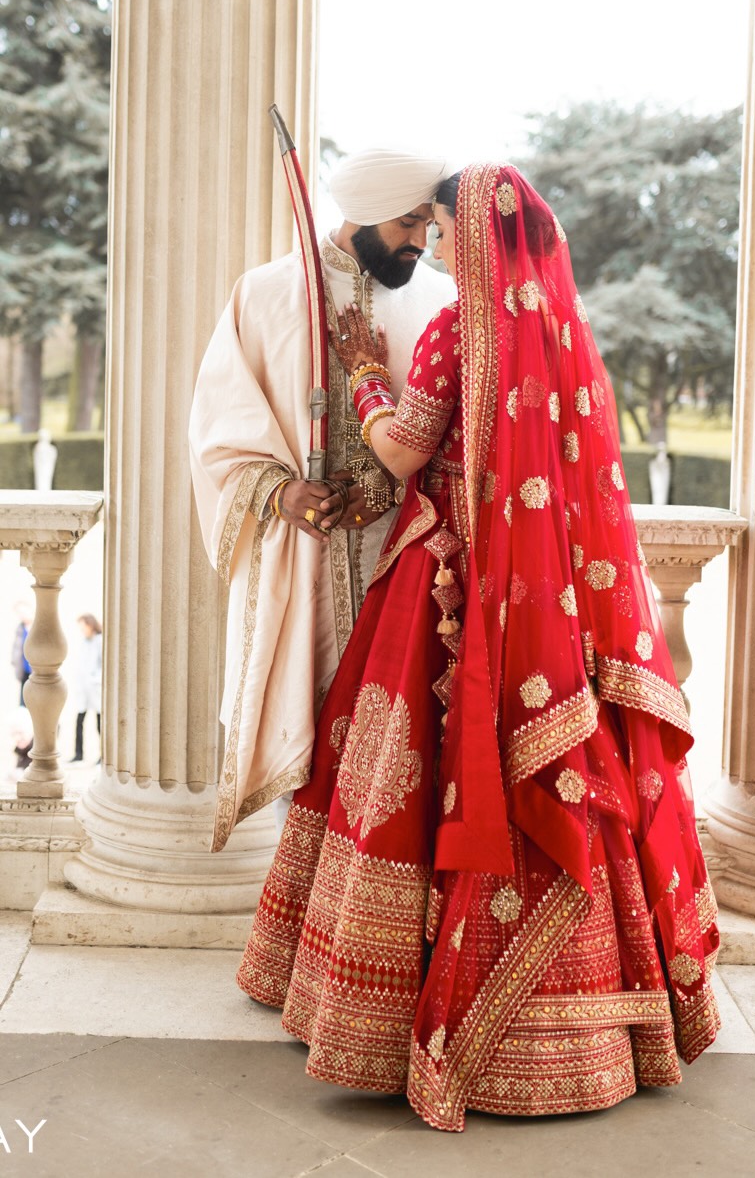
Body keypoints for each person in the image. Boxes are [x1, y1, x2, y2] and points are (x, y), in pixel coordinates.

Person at [236, 164, 719, 1132]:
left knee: (403, 775)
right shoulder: (557, 331)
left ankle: (389, 1011)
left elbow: (405, 449)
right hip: (543, 612)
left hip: (449, 591)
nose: (436, 240)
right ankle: (601, 1027)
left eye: (444, 225)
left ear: (475, 237)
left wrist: (366, 375)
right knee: (561, 780)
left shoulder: (461, 326)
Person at [189, 149, 455, 851]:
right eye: (407, 223)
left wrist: (384, 485)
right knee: (305, 735)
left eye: (428, 225)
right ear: (363, 213)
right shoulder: (268, 293)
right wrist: (280, 494)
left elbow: (452, 437)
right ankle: (300, 929)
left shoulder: (435, 302)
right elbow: (219, 429)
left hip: (405, 559)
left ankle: (376, 923)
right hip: (299, 563)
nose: (420, 242)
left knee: (399, 745)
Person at [69, 614, 102, 764]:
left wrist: (95, 680)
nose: (82, 631)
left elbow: (103, 665)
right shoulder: (84, 642)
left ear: (90, 625)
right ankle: (78, 754)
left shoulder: (100, 641)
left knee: (100, 723)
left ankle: (104, 756)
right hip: (83, 689)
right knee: (79, 720)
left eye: (84, 627)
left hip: (96, 688)